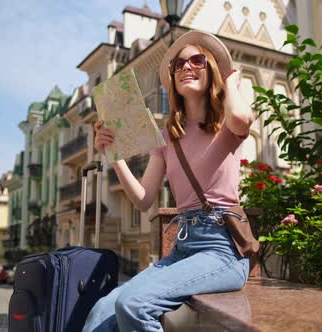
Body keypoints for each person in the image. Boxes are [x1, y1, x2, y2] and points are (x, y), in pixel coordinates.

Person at [84, 30, 254, 332]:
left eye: (197, 60)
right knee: (101, 311)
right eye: (179, 64)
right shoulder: (167, 139)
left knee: (134, 304)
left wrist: (230, 81)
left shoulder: (227, 123)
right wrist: (113, 153)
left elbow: (242, 117)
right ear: (173, 78)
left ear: (212, 70)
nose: (186, 66)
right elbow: (144, 198)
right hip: (182, 249)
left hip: (223, 250)